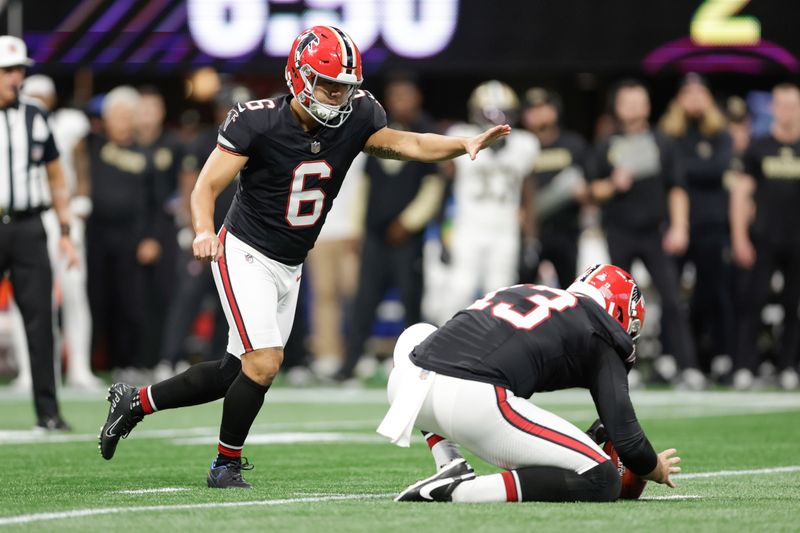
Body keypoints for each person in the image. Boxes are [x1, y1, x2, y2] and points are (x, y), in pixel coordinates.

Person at [98, 25, 510, 489]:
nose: (336, 96)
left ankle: (135, 402)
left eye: (344, 87)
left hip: (290, 263)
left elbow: (409, 144)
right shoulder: (257, 121)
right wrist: (202, 231)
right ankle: (224, 466)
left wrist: (463, 143)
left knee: (233, 372)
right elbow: (205, 186)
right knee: (265, 362)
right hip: (246, 249)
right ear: (299, 75)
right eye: (327, 84)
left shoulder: (358, 116)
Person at [379, 264, 681, 503]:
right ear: (619, 315)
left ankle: (448, 462)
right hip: (474, 400)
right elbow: (629, 443)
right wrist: (655, 468)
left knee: (418, 332)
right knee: (603, 478)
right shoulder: (599, 330)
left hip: (407, 388)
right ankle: (463, 491)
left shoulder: (527, 290)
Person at [588, 79, 704, 390]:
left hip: (654, 232)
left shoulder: (662, 142)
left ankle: (687, 366)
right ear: (618, 107)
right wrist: (613, 184)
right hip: (619, 231)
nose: (635, 107)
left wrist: (680, 227)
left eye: (640, 101)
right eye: (628, 101)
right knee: (616, 307)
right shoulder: (606, 144)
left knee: (672, 297)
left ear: (648, 106)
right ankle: (622, 371)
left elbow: (676, 188)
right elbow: (591, 191)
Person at [336, 74, 445, 381]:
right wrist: (356, 228)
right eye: (395, 96)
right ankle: (349, 366)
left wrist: (407, 223)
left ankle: (419, 367)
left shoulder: (427, 135)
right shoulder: (377, 134)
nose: (400, 102)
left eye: (405, 95)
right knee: (363, 303)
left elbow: (433, 188)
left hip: (406, 238)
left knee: (412, 302)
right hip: (374, 235)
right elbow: (365, 185)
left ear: (417, 98)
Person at [0, 35, 78, 429]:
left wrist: (64, 228)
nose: (17, 78)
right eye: (9, 70)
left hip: (30, 225)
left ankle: (48, 412)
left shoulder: (35, 115)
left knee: (40, 319)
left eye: (20, 70)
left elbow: (55, 173)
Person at [10, 74, 101, 391]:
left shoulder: (67, 124)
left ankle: (79, 367)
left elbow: (80, 163)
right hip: (27, 218)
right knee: (30, 298)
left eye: (41, 94)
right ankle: (29, 371)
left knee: (74, 293)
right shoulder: (10, 123)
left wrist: (81, 204)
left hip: (64, 215)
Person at [437, 80, 539, 322]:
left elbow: (528, 197)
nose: (497, 119)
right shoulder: (459, 137)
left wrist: (531, 238)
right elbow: (442, 191)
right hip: (467, 228)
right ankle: (444, 350)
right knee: (458, 290)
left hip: (505, 230)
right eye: (490, 112)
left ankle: (495, 356)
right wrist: (443, 233)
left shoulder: (525, 145)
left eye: (503, 112)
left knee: (502, 295)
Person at [658, 74, 734, 378]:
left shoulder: (721, 132)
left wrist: (682, 169)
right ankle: (669, 356)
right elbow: (667, 175)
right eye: (688, 93)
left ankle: (718, 355)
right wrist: (688, 171)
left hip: (711, 223)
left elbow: (718, 169)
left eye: (699, 93)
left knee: (713, 291)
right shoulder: (668, 134)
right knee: (670, 294)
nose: (694, 99)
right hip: (675, 224)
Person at [86, 86, 160, 383]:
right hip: (96, 236)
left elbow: (156, 202)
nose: (120, 122)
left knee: (130, 302)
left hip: (132, 238)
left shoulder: (146, 155)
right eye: (115, 115)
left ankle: (127, 361)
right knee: (95, 300)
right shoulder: (92, 145)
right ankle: (89, 362)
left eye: (126, 115)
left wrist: (151, 237)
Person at [730, 83, 800, 391]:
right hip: (764, 239)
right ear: (772, 108)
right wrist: (740, 237)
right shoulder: (758, 147)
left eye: (793, 105)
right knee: (753, 302)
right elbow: (741, 194)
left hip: (797, 240)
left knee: (793, 305)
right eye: (782, 104)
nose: (787, 111)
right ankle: (746, 365)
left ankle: (788, 366)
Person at [520, 87, 589, 288]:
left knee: (570, 292)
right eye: (532, 110)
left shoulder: (573, 144)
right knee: (522, 292)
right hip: (530, 232)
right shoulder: (519, 145)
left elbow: (591, 187)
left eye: (543, 108)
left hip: (566, 230)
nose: (539, 114)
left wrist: (585, 193)